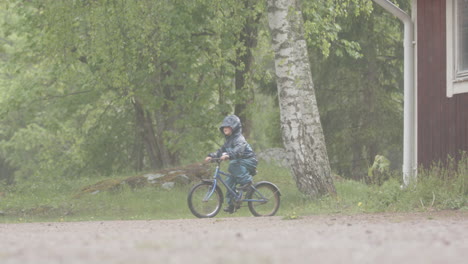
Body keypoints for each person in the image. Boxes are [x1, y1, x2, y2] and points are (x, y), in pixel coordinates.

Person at [205, 115, 257, 213]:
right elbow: (221, 151)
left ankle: (247, 182)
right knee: (229, 181)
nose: (225, 128)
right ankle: (232, 204)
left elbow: (239, 150)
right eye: (224, 127)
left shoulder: (239, 139)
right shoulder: (228, 141)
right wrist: (212, 156)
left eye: (228, 126)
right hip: (239, 162)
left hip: (249, 160)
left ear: (235, 127)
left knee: (233, 165)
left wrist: (229, 155)